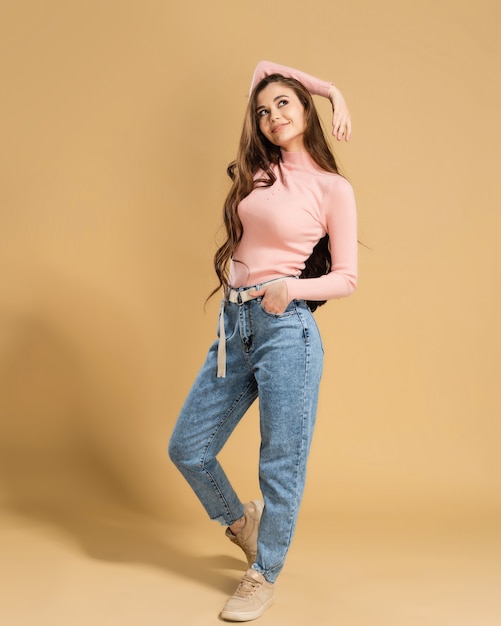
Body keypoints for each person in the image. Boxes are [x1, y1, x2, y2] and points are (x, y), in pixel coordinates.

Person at [168, 60, 357, 622]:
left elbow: (347, 277)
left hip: (287, 332)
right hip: (235, 327)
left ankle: (263, 573)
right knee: (188, 448)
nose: (273, 114)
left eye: (286, 104)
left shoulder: (332, 188)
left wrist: (289, 287)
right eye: (264, 109)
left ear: (305, 113)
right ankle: (243, 526)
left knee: (280, 463)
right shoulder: (261, 173)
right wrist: (329, 88)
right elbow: (262, 68)